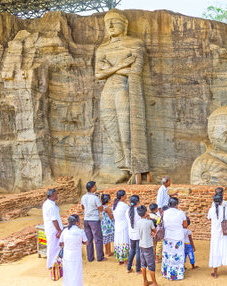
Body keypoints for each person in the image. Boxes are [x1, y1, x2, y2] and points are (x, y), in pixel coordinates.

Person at [95, 8, 150, 184]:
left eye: (114, 21)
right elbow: (98, 74)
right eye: (107, 22)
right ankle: (123, 168)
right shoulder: (102, 48)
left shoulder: (135, 43)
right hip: (108, 91)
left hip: (123, 89)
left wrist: (109, 68)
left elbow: (135, 70)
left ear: (124, 25)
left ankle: (134, 168)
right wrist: (120, 65)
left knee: (126, 130)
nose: (110, 25)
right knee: (111, 130)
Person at [208, 194, 227, 278]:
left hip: (215, 234)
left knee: (215, 251)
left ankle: (215, 273)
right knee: (226, 250)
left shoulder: (211, 210)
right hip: (224, 233)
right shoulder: (225, 209)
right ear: (221, 201)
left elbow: (209, 218)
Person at [162, 197, 187, 280]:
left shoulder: (164, 212)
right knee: (177, 255)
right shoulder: (181, 213)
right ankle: (177, 274)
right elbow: (185, 225)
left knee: (168, 255)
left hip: (167, 236)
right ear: (176, 204)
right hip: (177, 237)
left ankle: (167, 273)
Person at [59, 214, 88, 286]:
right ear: (77, 222)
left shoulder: (65, 231)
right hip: (76, 256)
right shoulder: (80, 231)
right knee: (76, 273)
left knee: (67, 273)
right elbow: (86, 242)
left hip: (67, 256)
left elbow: (60, 243)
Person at [80, 181, 106, 262]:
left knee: (89, 239)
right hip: (94, 220)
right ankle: (100, 257)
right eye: (95, 186)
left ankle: (90, 257)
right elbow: (101, 209)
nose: (96, 187)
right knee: (98, 239)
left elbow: (82, 207)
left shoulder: (83, 197)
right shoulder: (95, 198)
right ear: (92, 188)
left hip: (86, 219)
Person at [42, 188, 64, 269]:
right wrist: (59, 230)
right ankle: (51, 264)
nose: (57, 195)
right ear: (52, 195)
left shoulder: (49, 204)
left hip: (53, 229)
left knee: (55, 246)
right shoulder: (50, 206)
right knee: (53, 247)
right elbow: (54, 220)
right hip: (53, 230)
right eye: (56, 194)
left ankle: (55, 263)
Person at [137, 205, 158, 286]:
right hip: (148, 246)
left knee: (143, 264)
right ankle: (154, 283)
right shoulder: (149, 222)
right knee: (151, 265)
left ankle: (145, 281)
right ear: (146, 212)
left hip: (141, 245)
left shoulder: (138, 222)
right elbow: (154, 230)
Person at [113, 190, 130, 264]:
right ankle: (126, 261)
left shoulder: (114, 205)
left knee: (118, 242)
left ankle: (120, 260)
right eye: (125, 195)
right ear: (122, 197)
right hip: (124, 226)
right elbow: (129, 215)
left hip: (117, 226)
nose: (126, 196)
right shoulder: (125, 206)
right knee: (124, 242)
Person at [126, 195, 141, 273]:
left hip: (131, 234)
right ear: (138, 202)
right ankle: (138, 269)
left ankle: (129, 268)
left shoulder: (127, 211)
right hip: (138, 234)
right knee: (138, 251)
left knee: (132, 250)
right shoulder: (139, 211)